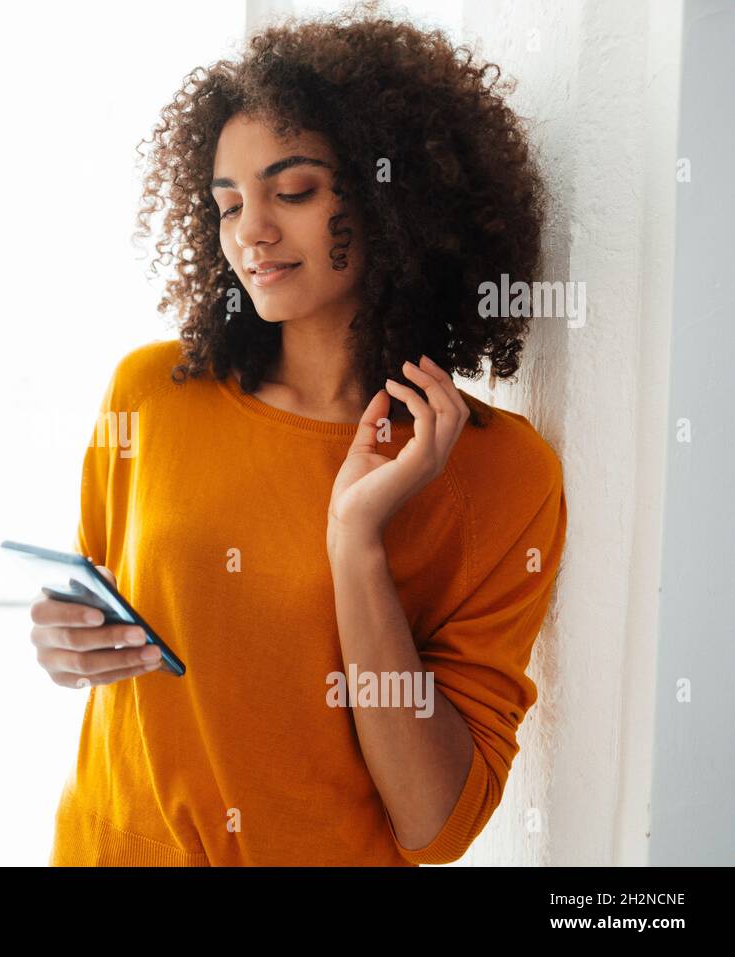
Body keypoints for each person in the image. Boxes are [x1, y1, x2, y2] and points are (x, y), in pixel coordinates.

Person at [28, 9, 568, 866]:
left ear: (395, 200)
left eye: (294, 191)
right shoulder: (152, 395)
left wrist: (356, 543)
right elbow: (104, 619)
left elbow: (435, 825)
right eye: (229, 203)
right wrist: (65, 643)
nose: (252, 232)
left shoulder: (498, 473)